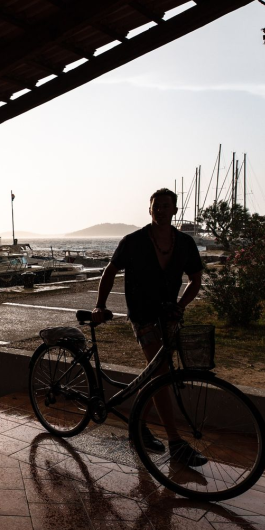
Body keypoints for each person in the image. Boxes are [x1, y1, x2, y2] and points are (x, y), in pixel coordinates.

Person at [91, 187, 206, 465]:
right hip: (142, 315)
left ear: (175, 211)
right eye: (156, 205)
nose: (161, 210)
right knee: (162, 375)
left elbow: (195, 279)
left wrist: (180, 307)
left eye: (166, 206)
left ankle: (137, 425)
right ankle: (176, 443)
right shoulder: (133, 241)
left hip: (169, 316)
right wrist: (100, 305)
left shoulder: (185, 244)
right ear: (150, 209)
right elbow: (109, 271)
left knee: (157, 374)